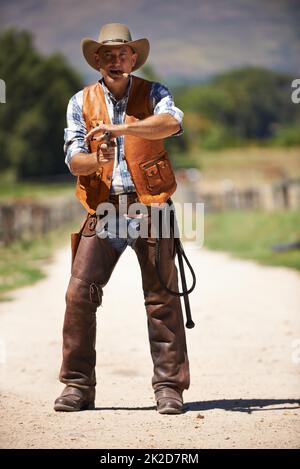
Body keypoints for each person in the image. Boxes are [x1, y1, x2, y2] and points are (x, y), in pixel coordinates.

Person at [54, 23, 190, 414]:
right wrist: (95, 160)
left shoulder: (156, 93)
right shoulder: (79, 101)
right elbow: (73, 160)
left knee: (162, 297)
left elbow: (171, 124)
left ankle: (169, 388)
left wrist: (119, 128)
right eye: (108, 55)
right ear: (98, 61)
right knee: (79, 294)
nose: (116, 61)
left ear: (134, 59)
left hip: (151, 205)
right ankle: (77, 386)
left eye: (123, 54)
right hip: (106, 208)